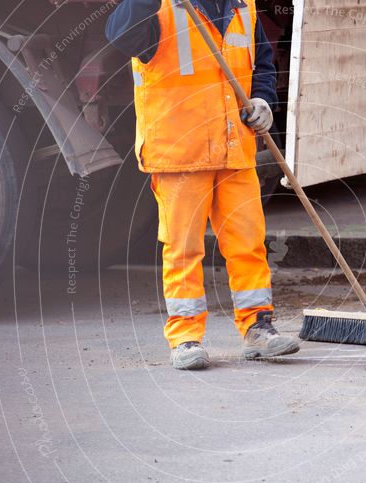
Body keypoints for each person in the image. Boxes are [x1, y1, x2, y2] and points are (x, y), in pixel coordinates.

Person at [106, 0, 300, 370]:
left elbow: (261, 63)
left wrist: (263, 99)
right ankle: (185, 337)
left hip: (233, 145)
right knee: (183, 248)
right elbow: (122, 36)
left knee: (248, 242)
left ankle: (258, 327)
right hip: (180, 150)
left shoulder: (245, 5)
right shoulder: (159, 7)